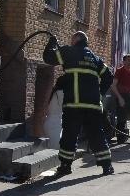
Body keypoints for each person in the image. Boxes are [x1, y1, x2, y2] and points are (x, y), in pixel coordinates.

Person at [43, 31, 115, 176]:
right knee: (97, 135)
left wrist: (51, 43)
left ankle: (65, 166)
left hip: (74, 104)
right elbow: (108, 76)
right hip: (93, 105)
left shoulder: (69, 52)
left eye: (72, 38)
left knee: (70, 135)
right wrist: (99, 94)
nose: (70, 41)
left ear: (76, 39)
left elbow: (48, 58)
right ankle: (107, 166)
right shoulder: (95, 58)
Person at [110, 54, 130, 143]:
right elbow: (113, 86)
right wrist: (120, 98)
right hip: (121, 95)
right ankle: (121, 138)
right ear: (124, 62)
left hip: (129, 95)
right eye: (128, 60)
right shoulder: (119, 71)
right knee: (121, 116)